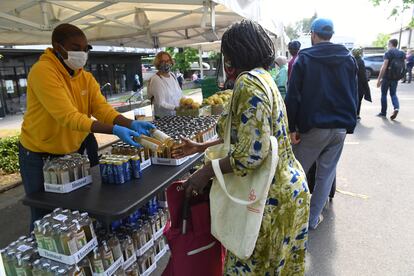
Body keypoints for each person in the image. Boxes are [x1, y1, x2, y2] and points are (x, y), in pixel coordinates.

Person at [172, 20, 309, 275]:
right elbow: (247, 136)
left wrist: (206, 172)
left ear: (233, 53)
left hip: (269, 200)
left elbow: (250, 155)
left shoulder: (247, 84)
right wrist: (201, 146)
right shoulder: (264, 78)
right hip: (290, 191)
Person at [19, 23, 154, 228]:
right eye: (75, 47)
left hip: (73, 154)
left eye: (85, 48)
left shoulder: (85, 77)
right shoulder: (43, 72)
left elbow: (102, 109)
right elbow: (69, 117)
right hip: (39, 155)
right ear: (58, 46)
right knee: (44, 215)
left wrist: (131, 123)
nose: (81, 53)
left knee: (76, 208)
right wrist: (114, 130)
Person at [285, 18, 358, 230]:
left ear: (313, 35)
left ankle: (288, 218)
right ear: (331, 34)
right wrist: (349, 125)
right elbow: (353, 94)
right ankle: (311, 219)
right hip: (340, 128)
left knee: (294, 173)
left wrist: (291, 128)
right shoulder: (348, 58)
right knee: (326, 176)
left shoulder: (305, 58)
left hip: (313, 128)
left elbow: (293, 96)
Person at [376, 39, 406, 120]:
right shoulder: (402, 53)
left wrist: (379, 79)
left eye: (388, 43)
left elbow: (384, 66)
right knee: (393, 94)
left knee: (384, 94)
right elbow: (404, 65)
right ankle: (396, 108)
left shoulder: (388, 53)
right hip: (395, 77)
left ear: (390, 44)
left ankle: (383, 112)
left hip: (387, 77)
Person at [147, 51, 182, 118]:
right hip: (163, 118)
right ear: (158, 63)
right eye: (163, 61)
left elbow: (179, 93)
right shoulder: (156, 79)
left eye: (168, 61)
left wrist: (185, 104)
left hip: (176, 115)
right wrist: (176, 108)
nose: (166, 63)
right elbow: (161, 103)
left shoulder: (172, 75)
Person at [351, 47, 372, 120]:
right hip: (359, 84)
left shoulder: (350, 60)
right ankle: (356, 114)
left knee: (352, 99)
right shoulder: (360, 61)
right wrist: (366, 85)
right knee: (358, 100)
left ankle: (352, 113)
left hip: (351, 84)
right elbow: (363, 75)